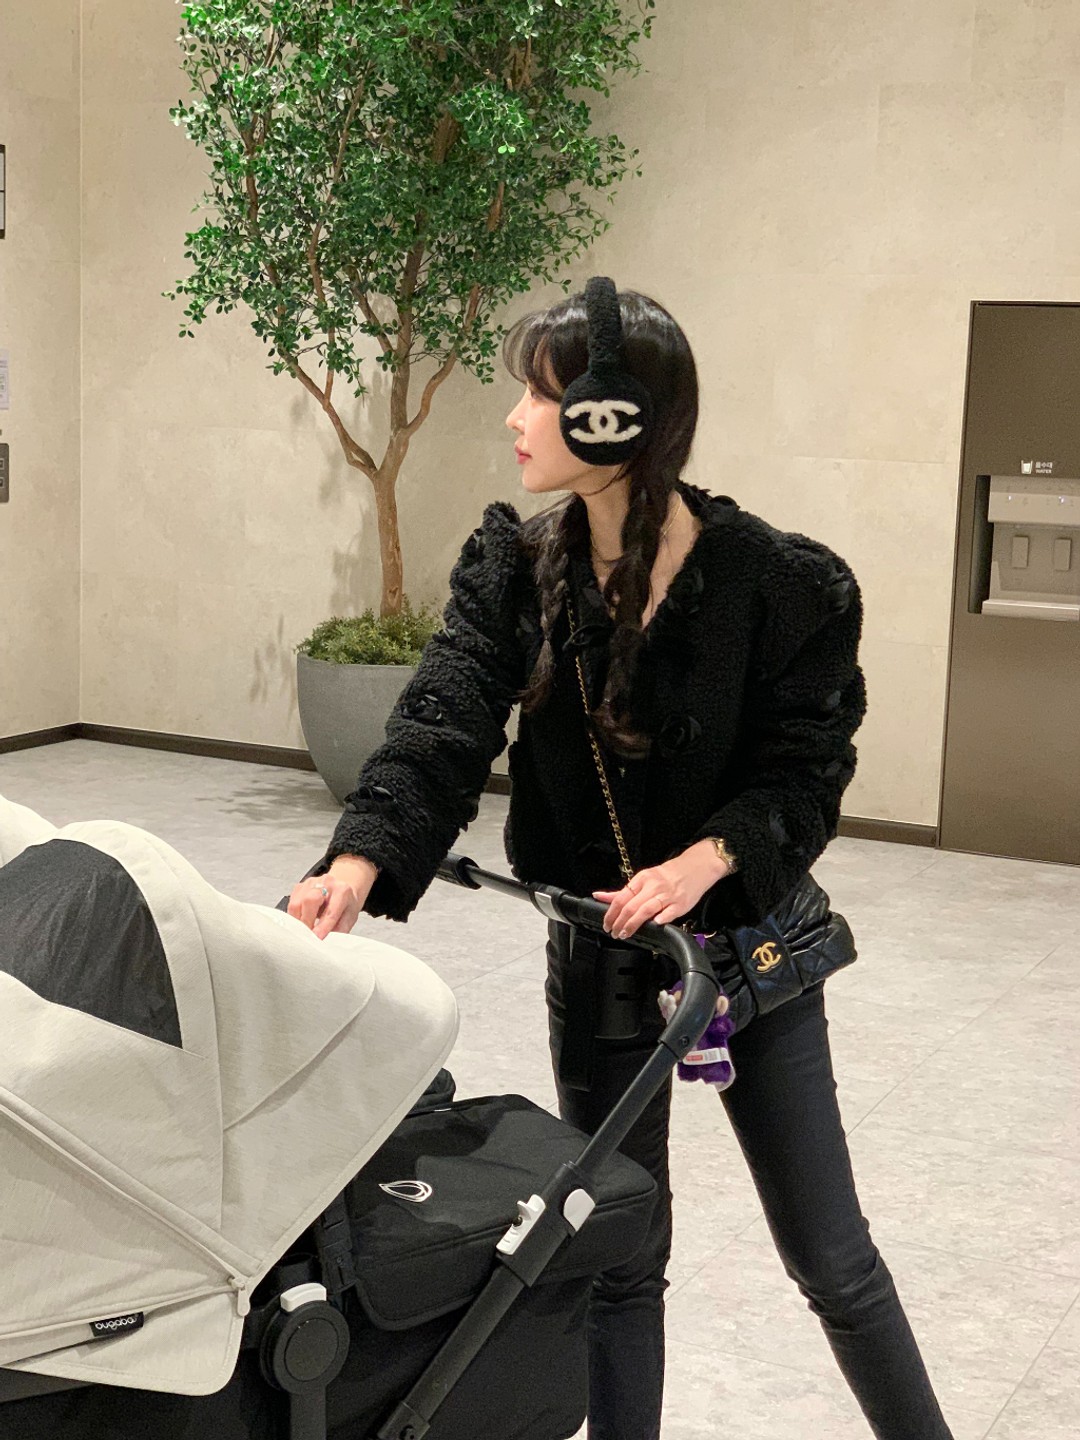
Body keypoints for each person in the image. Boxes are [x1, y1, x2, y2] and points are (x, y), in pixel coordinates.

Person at [289, 280, 953, 1440]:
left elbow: (807, 769)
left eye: (537, 397)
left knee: (832, 1258)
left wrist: (707, 860)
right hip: (601, 955)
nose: (514, 419)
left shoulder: (780, 583)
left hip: (750, 955)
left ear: (613, 419)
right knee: (614, 1258)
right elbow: (443, 720)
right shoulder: (514, 568)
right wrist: (358, 860)